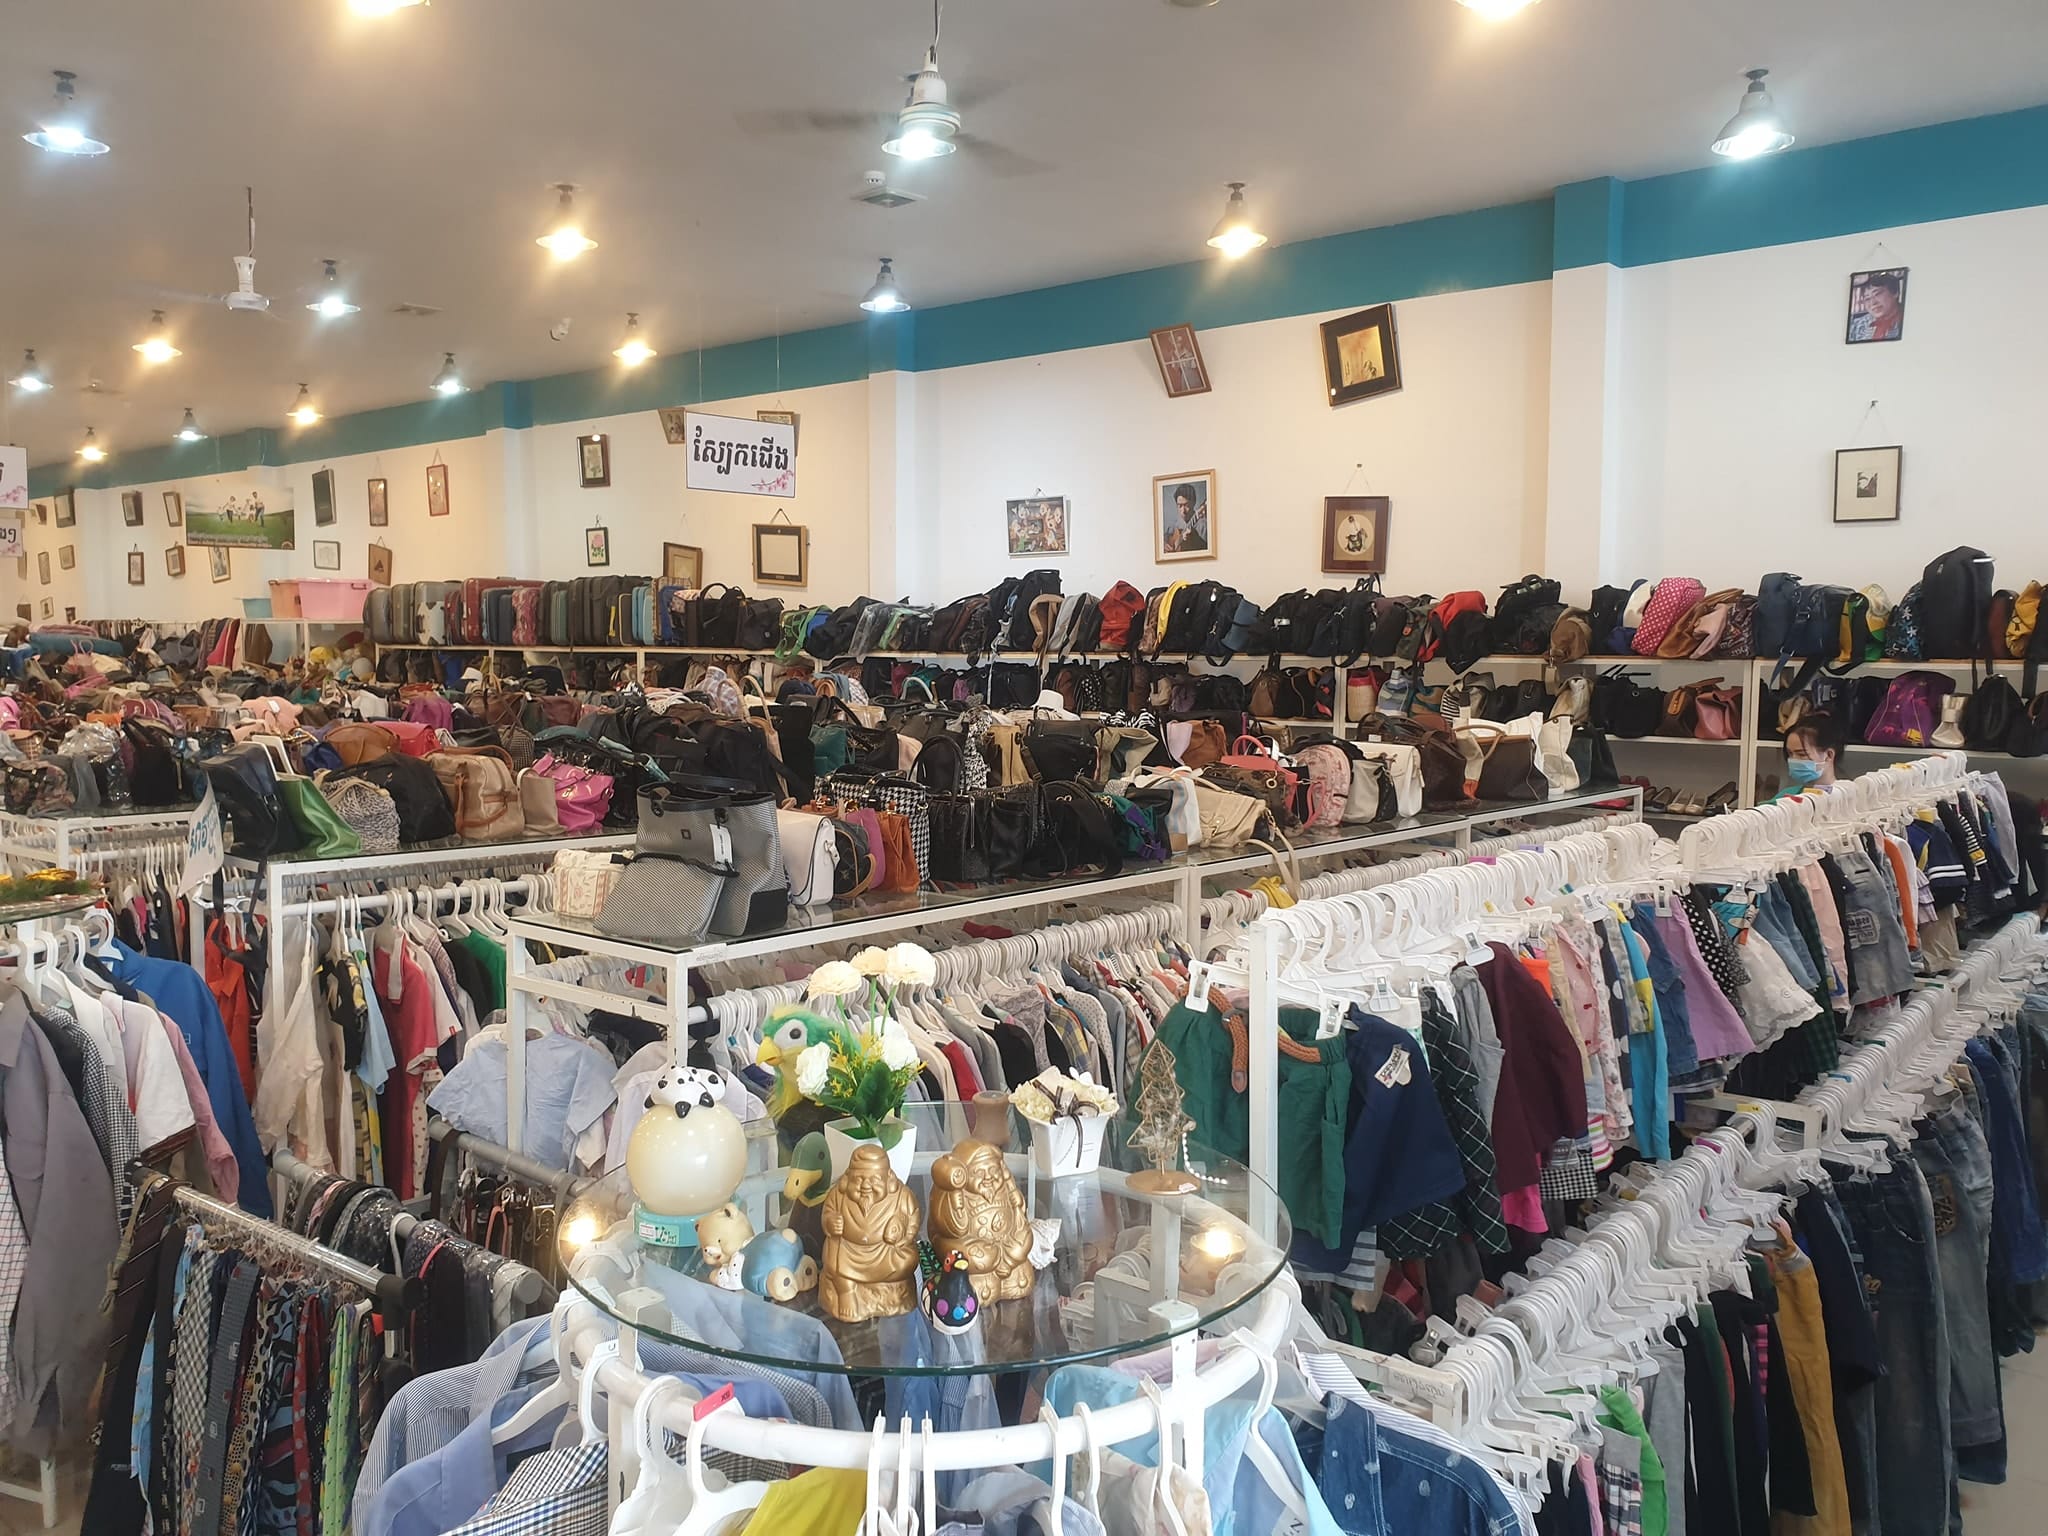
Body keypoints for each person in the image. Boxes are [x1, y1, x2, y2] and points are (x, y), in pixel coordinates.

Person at [1777, 714, 1845, 799]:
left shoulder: (1847, 800)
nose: (1793, 760)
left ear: (1829, 755)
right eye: (1790, 753)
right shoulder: (1783, 798)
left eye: (1802, 754)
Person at [1853, 271, 1903, 341]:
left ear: (1895, 293)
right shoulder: (1856, 325)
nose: (1873, 303)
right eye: (1867, 298)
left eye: (1877, 294)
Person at [1165, 484, 1208, 552]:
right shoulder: (1173, 526)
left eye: (1186, 505)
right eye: (1180, 506)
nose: (1183, 511)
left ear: (1193, 503)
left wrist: (1195, 539)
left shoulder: (1204, 526)